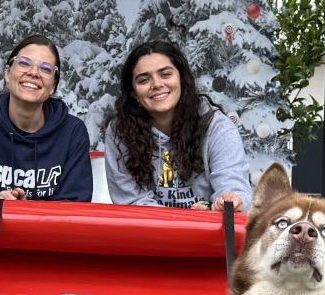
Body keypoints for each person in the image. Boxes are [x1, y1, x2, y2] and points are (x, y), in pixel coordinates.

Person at [103, 40, 252, 211]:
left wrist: (225, 203)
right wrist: (184, 222)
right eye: (144, 80)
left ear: (181, 79)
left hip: (209, 233)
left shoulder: (217, 127)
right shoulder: (120, 132)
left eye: (165, 74)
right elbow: (131, 203)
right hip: (148, 234)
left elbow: (234, 188)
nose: (157, 84)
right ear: (134, 93)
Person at [0, 34, 93, 201]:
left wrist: (26, 212)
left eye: (46, 68)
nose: (33, 73)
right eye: (24, 63)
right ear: (7, 74)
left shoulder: (72, 133)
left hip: (50, 228)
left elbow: (75, 205)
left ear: (53, 85)